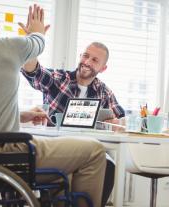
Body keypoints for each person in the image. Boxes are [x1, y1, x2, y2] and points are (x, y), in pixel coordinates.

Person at [0, 4, 106, 207]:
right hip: (6, 154)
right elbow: (38, 42)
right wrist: (35, 31)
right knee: (95, 151)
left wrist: (22, 115)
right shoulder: (5, 47)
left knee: (61, 174)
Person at [21, 42, 125, 206]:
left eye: (95, 60)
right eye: (85, 56)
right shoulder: (59, 78)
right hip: (56, 148)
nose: (87, 62)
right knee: (70, 172)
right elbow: (33, 71)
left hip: (88, 150)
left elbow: (121, 118)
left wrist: (115, 121)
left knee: (108, 164)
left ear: (103, 68)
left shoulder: (103, 91)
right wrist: (33, 43)